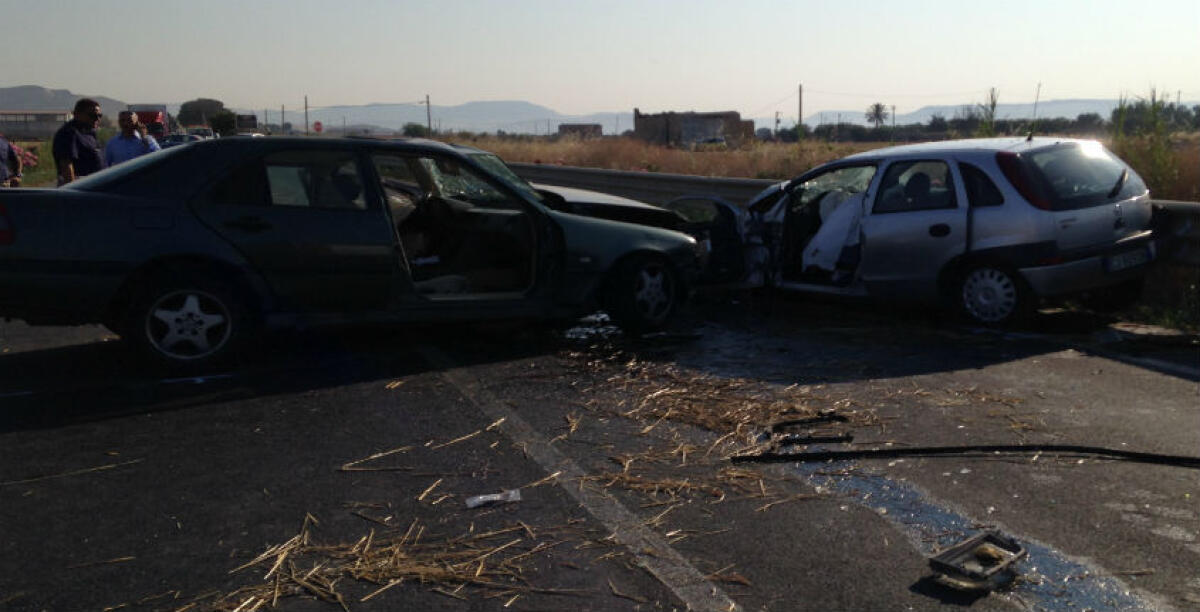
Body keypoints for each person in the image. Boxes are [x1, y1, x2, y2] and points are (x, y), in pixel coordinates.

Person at [52, 98, 105, 185]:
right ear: (77, 114)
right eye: (92, 115)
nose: (97, 119)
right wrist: (72, 189)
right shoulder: (69, 133)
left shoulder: (89, 132)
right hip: (81, 186)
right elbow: (66, 165)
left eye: (99, 115)